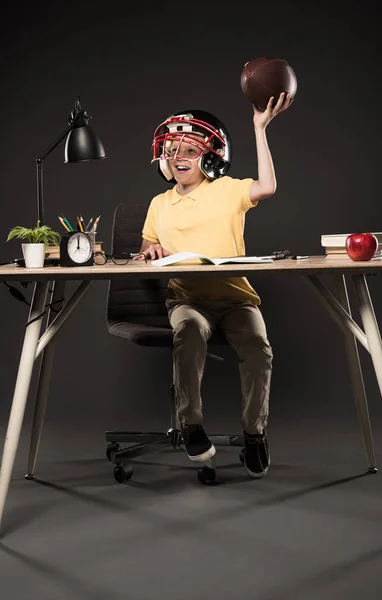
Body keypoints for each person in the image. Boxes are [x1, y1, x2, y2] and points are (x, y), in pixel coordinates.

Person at [133, 93, 292, 477]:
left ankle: (255, 433)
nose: (179, 156)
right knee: (187, 333)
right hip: (188, 299)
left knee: (258, 346)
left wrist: (259, 128)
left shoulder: (227, 190)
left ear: (210, 156)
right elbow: (145, 248)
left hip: (236, 300)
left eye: (189, 149)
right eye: (172, 150)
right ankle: (191, 425)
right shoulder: (158, 203)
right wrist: (150, 249)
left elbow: (267, 186)